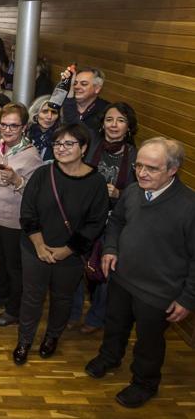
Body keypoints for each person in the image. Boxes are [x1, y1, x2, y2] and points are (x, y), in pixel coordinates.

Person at [85, 137, 194, 408]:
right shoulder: (133, 191)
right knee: (115, 324)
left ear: (173, 170)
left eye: (151, 168)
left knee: (148, 342)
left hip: (158, 292)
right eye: (138, 166)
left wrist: (188, 298)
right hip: (122, 278)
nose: (142, 173)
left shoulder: (189, 206)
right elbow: (118, 221)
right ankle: (109, 357)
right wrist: (110, 248)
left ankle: (144, 383)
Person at [13, 124, 109, 365]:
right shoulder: (43, 174)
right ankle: (24, 341)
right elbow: (27, 212)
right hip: (35, 248)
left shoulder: (96, 182)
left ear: (83, 147)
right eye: (57, 144)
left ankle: (52, 337)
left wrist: (67, 250)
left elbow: (95, 223)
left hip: (71, 254)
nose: (61, 148)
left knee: (62, 298)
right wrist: (39, 245)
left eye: (69, 144)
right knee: (32, 297)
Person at [69, 102, 139, 334]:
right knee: (76, 265)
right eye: (109, 119)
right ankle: (73, 312)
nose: (114, 125)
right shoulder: (91, 146)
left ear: (128, 126)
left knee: (106, 270)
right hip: (84, 218)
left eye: (120, 120)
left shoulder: (135, 156)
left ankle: (97, 317)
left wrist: (119, 194)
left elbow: (138, 194)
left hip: (114, 224)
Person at [0, 104, 43, 327]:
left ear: (24, 127)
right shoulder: (0, 147)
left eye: (13, 126)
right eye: (4, 125)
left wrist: (17, 181)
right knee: (0, 261)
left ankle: (14, 310)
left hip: (14, 221)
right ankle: (1, 296)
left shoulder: (31, 155)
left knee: (14, 268)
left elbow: (37, 194)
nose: (7, 130)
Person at [60, 66, 109, 135]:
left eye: (84, 84)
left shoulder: (106, 110)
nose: (76, 87)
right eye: (74, 83)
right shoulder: (65, 103)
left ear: (97, 88)